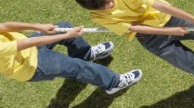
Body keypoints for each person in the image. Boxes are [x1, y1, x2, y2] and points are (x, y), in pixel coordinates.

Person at [0, 19, 141, 95]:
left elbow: (5, 26)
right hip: (30, 66)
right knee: (77, 67)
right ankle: (114, 83)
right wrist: (67, 35)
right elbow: (29, 42)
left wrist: (38, 27)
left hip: (30, 48)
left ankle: (85, 54)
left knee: (63, 26)